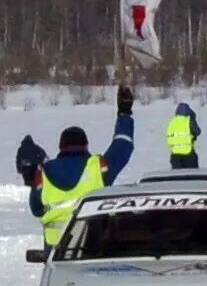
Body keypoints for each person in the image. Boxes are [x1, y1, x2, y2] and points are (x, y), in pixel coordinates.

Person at [29, 86, 136, 246]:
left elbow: (36, 208)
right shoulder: (97, 168)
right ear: (85, 145)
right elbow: (122, 147)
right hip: (91, 246)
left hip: (55, 252)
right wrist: (124, 113)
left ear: (61, 147)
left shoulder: (44, 173)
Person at [166, 100, 200, 168]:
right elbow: (197, 131)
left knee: (177, 176)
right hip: (188, 154)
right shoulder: (188, 121)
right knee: (192, 175)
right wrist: (193, 118)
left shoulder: (171, 122)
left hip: (175, 154)